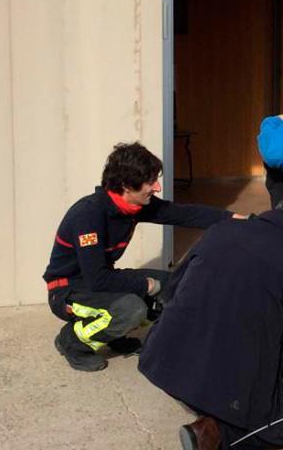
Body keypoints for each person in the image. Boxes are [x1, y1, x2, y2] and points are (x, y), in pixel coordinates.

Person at [138, 195, 283, 450]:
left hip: (163, 358)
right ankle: (212, 434)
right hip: (226, 368)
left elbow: (172, 289)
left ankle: (210, 413)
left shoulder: (221, 230)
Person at [43, 142, 241, 372]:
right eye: (150, 181)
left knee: (174, 286)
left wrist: (236, 218)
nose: (157, 187)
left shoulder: (134, 205)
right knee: (132, 308)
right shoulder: (88, 216)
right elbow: (97, 279)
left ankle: (113, 333)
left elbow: (186, 214)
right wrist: (145, 284)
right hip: (67, 290)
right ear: (127, 185)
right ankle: (71, 342)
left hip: (99, 281)